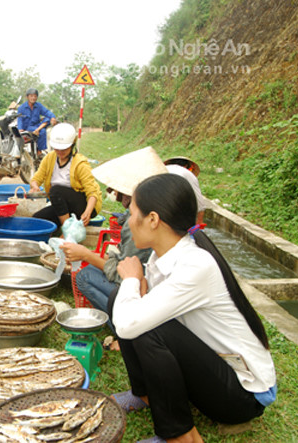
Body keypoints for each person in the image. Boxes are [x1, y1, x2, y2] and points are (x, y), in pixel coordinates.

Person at [109, 173, 276, 443]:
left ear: (152, 220)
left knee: (147, 326)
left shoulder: (196, 266)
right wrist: (131, 285)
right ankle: (144, 395)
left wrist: (131, 279)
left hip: (245, 395)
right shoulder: (162, 255)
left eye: (131, 212)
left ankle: (181, 436)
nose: (127, 220)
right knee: (121, 297)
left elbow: (129, 326)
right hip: (213, 368)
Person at [61, 147, 168, 316]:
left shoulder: (139, 222)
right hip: (147, 285)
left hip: (145, 297)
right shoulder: (151, 213)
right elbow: (125, 261)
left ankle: (117, 320)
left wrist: (86, 255)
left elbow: (126, 275)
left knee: (85, 276)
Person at [29, 123, 102, 227]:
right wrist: (35, 187)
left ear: (72, 145)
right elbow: (36, 178)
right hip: (61, 206)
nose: (60, 152)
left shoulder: (80, 164)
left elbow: (92, 193)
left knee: (55, 190)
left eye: (63, 149)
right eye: (57, 149)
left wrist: (88, 212)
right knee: (37, 219)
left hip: (83, 205)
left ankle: (68, 229)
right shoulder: (49, 158)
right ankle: (64, 225)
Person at [164, 156, 207, 224]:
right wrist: (200, 221)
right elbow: (199, 201)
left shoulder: (160, 170)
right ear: (187, 166)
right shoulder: (187, 173)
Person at [17, 88, 57, 153]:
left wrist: (52, 117)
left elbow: (47, 112)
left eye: (35, 96)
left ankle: (38, 132)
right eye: (31, 96)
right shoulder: (21, 107)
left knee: (48, 118)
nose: (33, 98)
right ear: (27, 97)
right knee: (43, 131)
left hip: (37, 125)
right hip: (28, 127)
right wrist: (20, 129)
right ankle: (39, 151)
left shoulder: (38, 106)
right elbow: (19, 119)